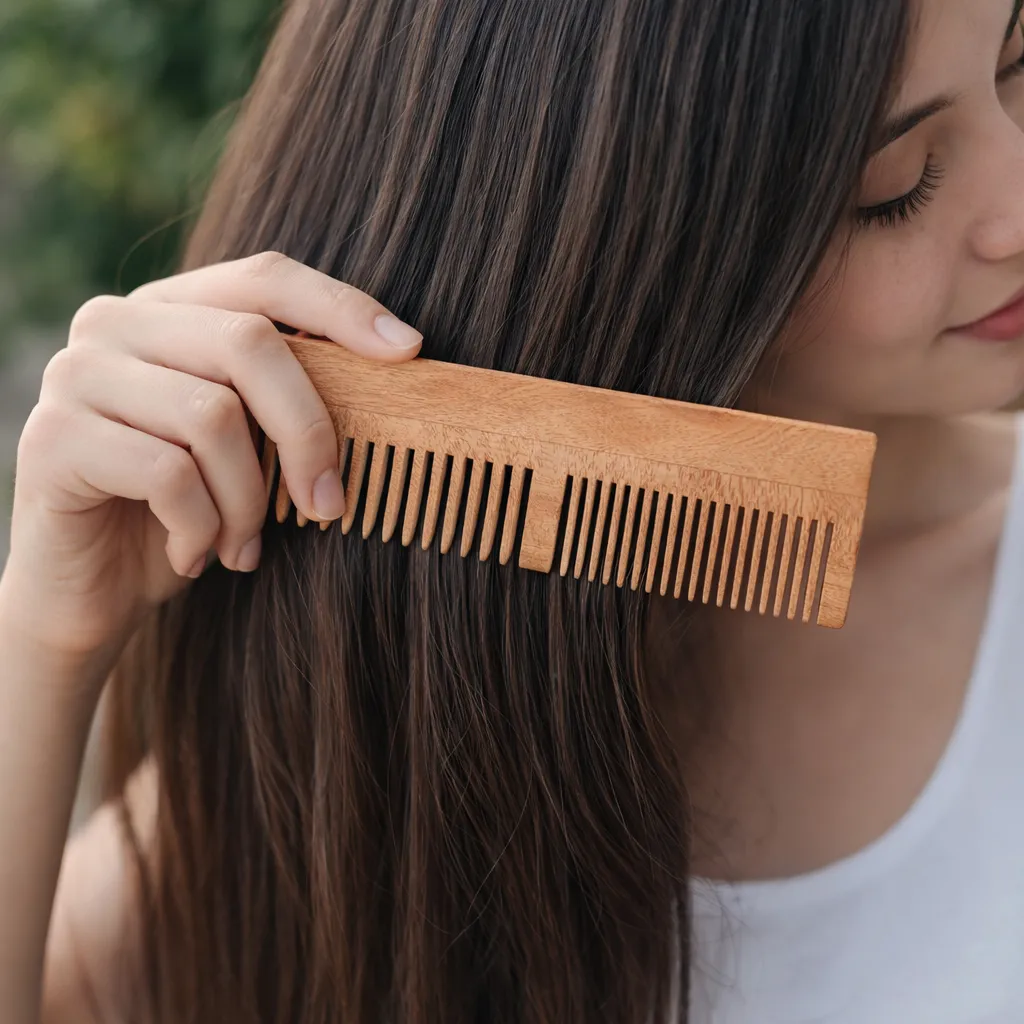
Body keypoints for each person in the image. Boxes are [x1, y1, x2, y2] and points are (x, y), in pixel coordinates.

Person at [2, 0, 1024, 1020]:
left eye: (1018, 68)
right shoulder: (370, 738)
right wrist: (47, 639)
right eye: (898, 187)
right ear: (636, 230)